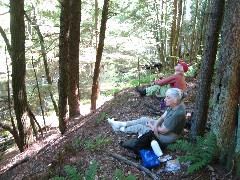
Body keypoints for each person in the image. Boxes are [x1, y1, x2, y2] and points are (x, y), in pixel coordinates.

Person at [108, 88, 186, 160]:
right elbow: (162, 117)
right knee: (144, 119)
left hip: (169, 136)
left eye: (168, 97)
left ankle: (120, 129)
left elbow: (164, 131)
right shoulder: (174, 105)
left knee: (141, 127)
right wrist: (155, 125)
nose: (165, 99)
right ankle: (121, 124)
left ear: (175, 100)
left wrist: (152, 126)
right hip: (163, 127)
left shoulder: (177, 113)